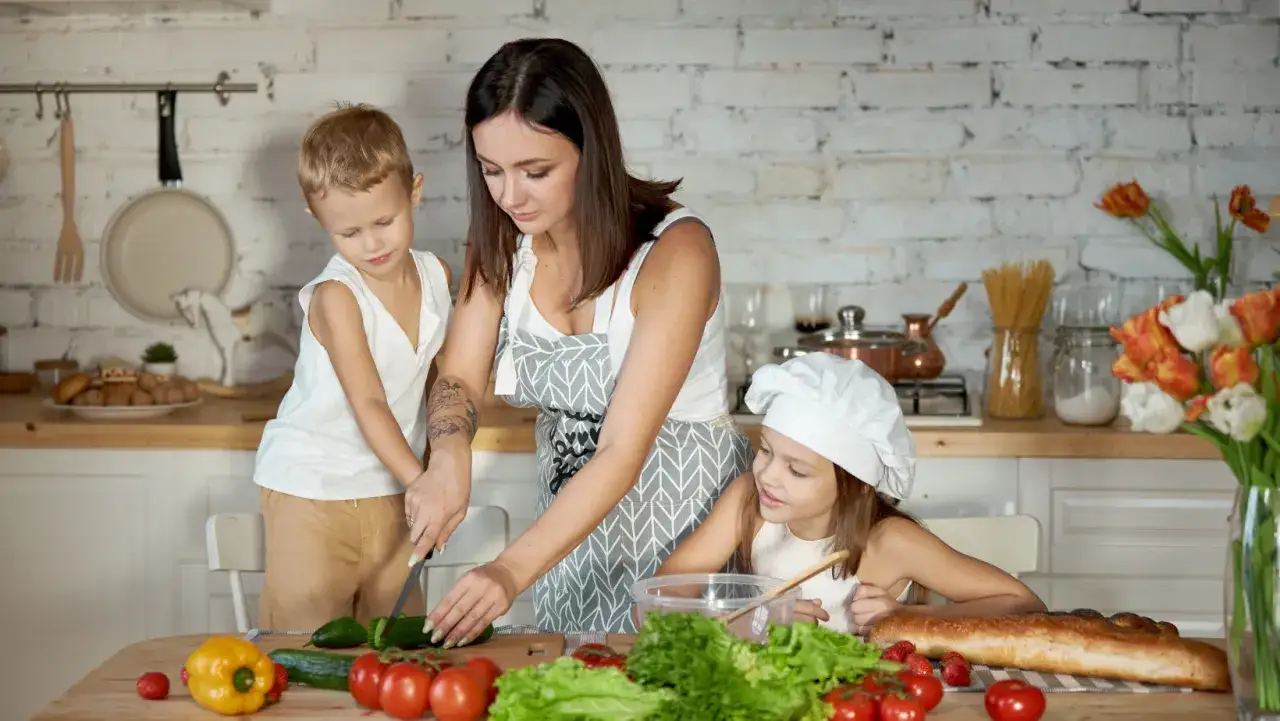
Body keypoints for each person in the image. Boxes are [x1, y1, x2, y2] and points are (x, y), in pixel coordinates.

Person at [407, 37, 752, 645]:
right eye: (492, 171)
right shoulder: (501, 241)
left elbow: (621, 447)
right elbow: (459, 375)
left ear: (591, 151)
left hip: (683, 541)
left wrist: (508, 570)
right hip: (565, 543)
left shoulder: (677, 252)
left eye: (535, 172)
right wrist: (449, 456)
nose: (510, 196)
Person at [654, 353, 1046, 636]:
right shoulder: (748, 501)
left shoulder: (890, 541)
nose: (767, 476)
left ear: (856, 483)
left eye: (797, 470)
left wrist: (905, 617)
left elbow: (1026, 606)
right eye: (766, 451)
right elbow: (660, 596)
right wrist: (749, 622)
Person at [251, 104, 454, 630]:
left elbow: (435, 379)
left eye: (384, 221)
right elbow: (368, 400)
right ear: (317, 218)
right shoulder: (338, 296)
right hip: (313, 494)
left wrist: (431, 470)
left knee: (398, 642)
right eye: (348, 232)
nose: (371, 244)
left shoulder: (436, 276)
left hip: (394, 488)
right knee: (306, 648)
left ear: (414, 190)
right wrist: (424, 482)